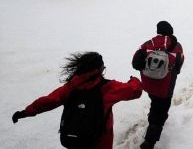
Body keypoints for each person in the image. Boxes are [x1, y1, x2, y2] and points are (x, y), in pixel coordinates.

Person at [12, 52, 142, 149]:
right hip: (100, 140)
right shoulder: (108, 87)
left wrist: (26, 112)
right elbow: (135, 91)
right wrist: (134, 80)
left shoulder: (71, 87)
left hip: (74, 139)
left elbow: (49, 100)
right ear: (98, 70)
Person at [132, 21, 184, 149]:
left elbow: (135, 63)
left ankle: (153, 119)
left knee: (155, 103)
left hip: (148, 84)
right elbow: (179, 65)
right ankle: (150, 141)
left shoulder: (148, 44)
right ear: (170, 30)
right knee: (161, 112)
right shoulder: (177, 46)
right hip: (165, 87)